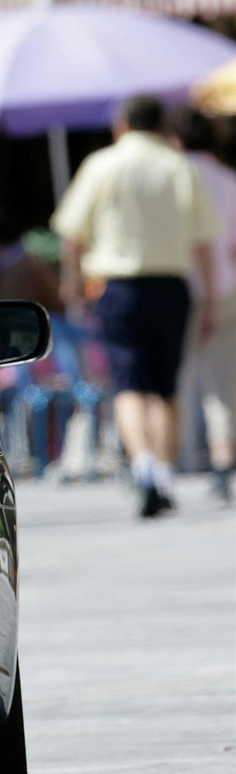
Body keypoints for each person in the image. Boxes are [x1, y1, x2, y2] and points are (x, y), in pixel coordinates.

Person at [51, 95, 219, 518]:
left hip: (118, 286)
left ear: (122, 124)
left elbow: (71, 233)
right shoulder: (180, 167)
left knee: (129, 384)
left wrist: (72, 281)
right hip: (171, 286)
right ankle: (162, 474)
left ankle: (142, 466)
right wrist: (210, 300)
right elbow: (204, 243)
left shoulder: (101, 165)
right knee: (165, 387)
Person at [172, 107, 236, 502]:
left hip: (179, 287)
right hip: (227, 287)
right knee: (222, 380)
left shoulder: (173, 177)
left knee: (178, 377)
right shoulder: (228, 179)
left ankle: (175, 456)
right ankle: (222, 460)